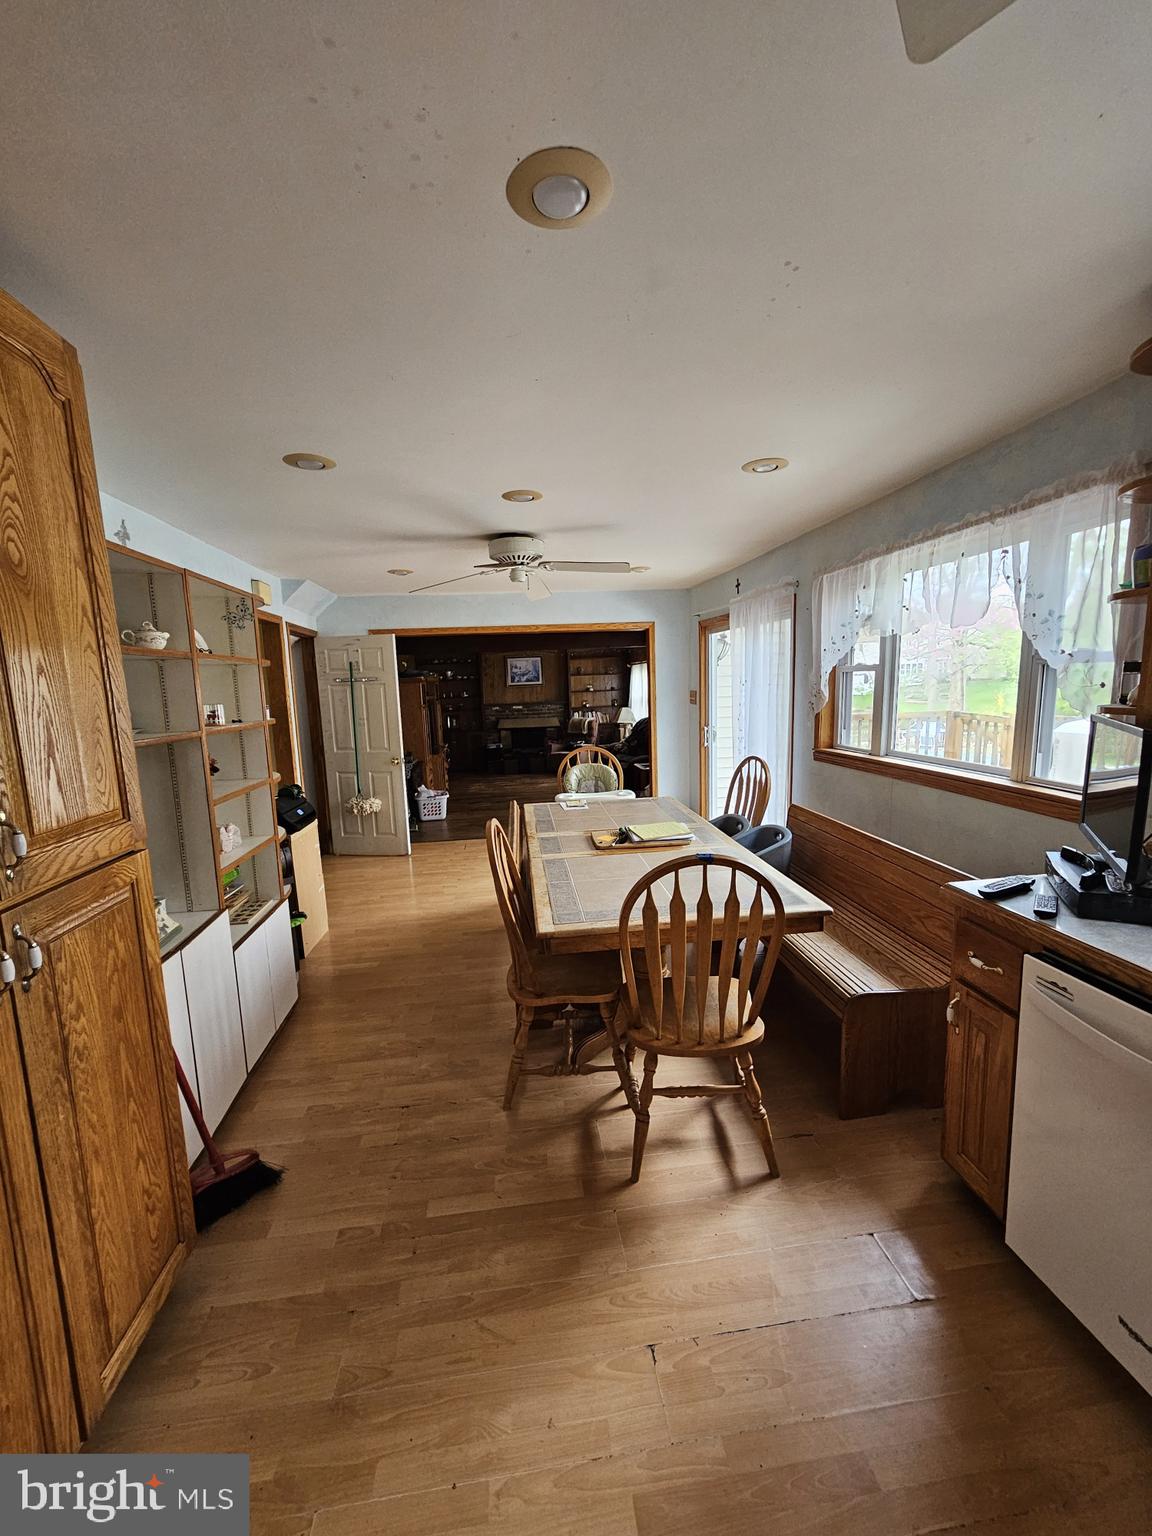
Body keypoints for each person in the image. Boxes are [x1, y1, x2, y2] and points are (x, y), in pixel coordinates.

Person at [616, 716, 651, 794]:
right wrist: (624, 744)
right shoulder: (642, 723)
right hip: (632, 750)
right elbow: (630, 739)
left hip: (640, 755)